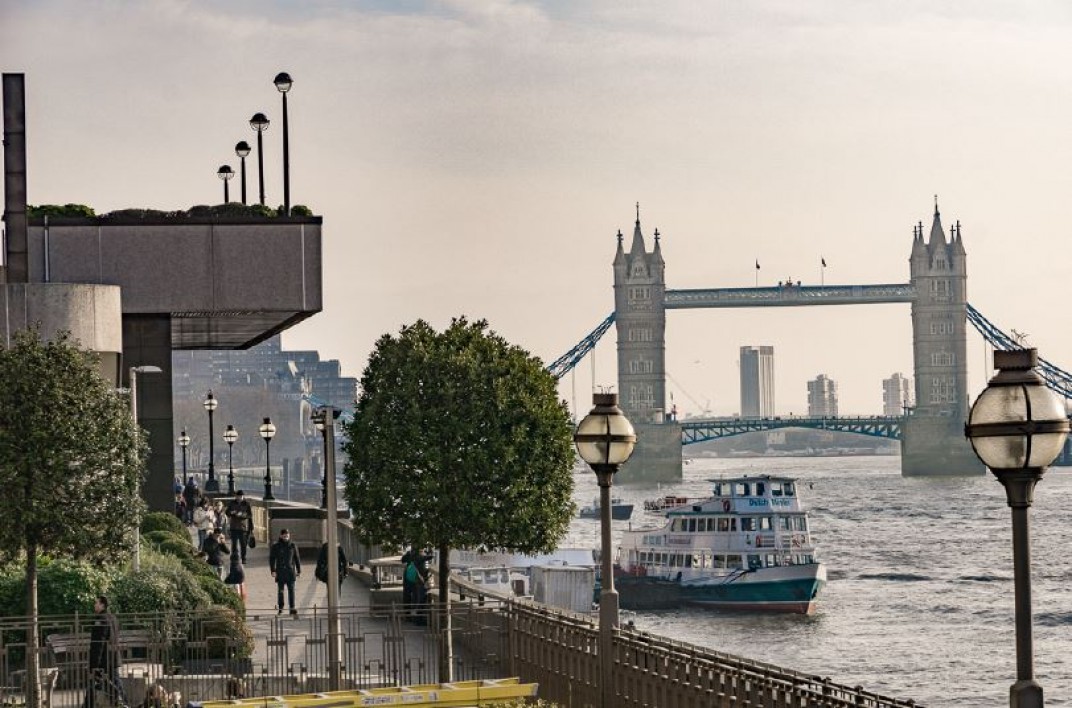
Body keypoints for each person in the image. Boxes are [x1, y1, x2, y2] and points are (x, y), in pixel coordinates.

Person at [81, 595, 128, 708]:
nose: (94, 605)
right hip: (113, 657)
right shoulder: (113, 618)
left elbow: (98, 644)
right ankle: (124, 704)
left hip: (104, 660)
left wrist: (94, 665)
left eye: (96, 603)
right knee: (115, 684)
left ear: (102, 605)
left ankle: (124, 704)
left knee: (110, 685)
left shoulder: (100, 620)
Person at [269, 528, 301, 615]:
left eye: (287, 535)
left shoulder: (293, 546)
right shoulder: (276, 546)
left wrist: (299, 570)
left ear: (289, 535)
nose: (286, 536)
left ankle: (292, 608)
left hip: (290, 572)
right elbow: (272, 559)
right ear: (280, 536)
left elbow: (297, 558)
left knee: (291, 591)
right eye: (284, 535)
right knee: (281, 591)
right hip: (280, 572)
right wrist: (273, 570)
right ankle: (281, 608)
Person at [226, 491, 253, 562]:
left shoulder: (247, 504)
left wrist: (243, 515)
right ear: (236, 496)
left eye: (241, 496)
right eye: (238, 496)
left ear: (243, 496)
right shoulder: (232, 503)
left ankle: (243, 558)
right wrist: (232, 513)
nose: (239, 498)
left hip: (243, 527)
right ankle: (234, 558)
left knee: (243, 544)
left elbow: (250, 515)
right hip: (233, 526)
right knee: (234, 544)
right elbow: (227, 512)